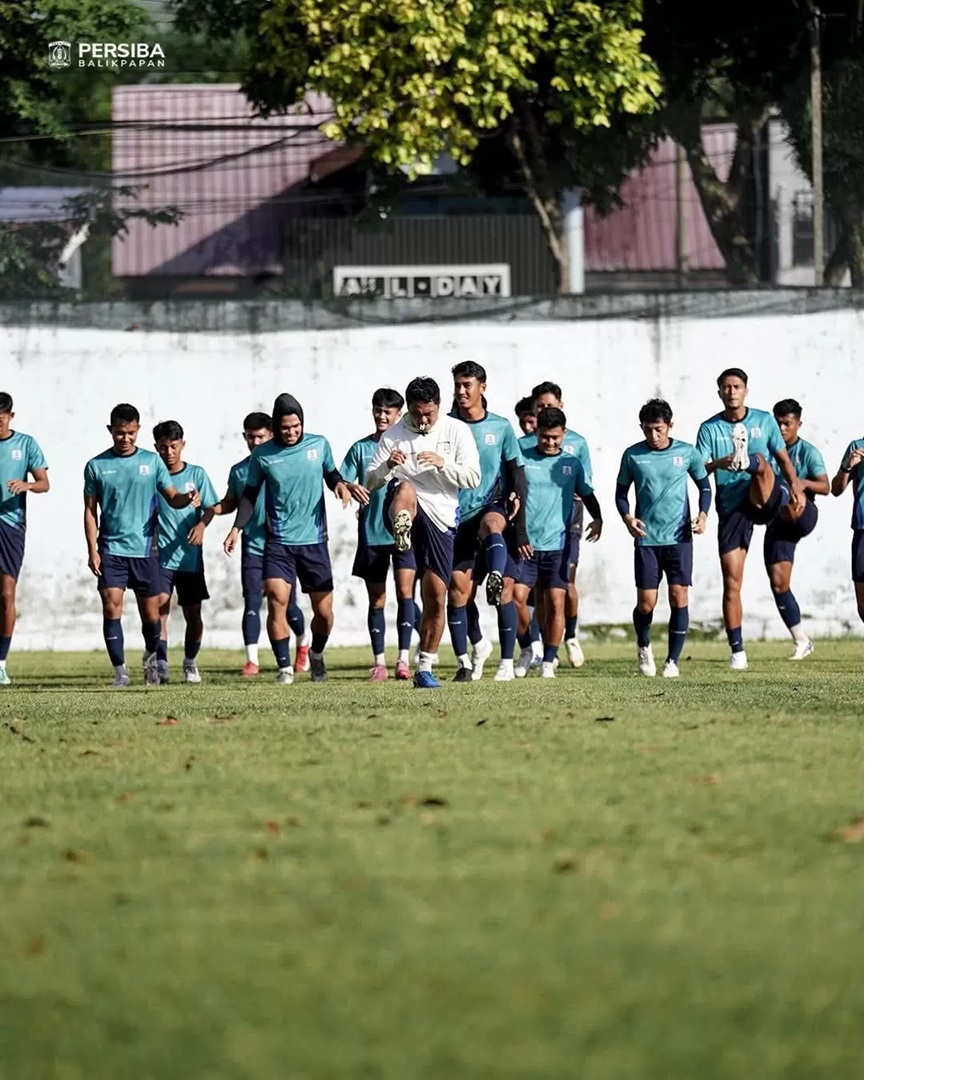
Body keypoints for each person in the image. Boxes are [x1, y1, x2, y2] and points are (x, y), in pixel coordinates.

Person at [227, 393, 364, 684]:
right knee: (277, 601)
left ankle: (316, 653)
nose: (291, 432)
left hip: (314, 541)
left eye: (296, 426)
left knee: (324, 612)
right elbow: (249, 496)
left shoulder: (319, 445)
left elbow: (331, 474)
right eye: (285, 428)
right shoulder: (263, 455)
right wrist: (236, 528)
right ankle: (284, 669)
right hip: (278, 543)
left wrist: (340, 486)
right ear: (276, 427)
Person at [365, 376, 481, 688]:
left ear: (438, 406)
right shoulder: (393, 435)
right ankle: (401, 526)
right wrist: (387, 466)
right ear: (409, 408)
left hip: (441, 517)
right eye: (417, 413)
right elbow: (370, 481)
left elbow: (473, 477)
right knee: (404, 487)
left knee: (436, 595)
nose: (423, 419)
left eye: (428, 413)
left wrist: (443, 464)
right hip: (405, 507)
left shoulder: (456, 430)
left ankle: (424, 668)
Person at [83, 403, 199, 688]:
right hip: (111, 550)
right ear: (110, 430)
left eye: (131, 433)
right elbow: (90, 511)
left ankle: (150, 655)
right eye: (120, 433)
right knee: (111, 606)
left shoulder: (152, 462)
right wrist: (92, 550)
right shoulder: (96, 466)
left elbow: (172, 496)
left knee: (151, 617)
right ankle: (120, 673)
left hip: (146, 551)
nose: (125, 438)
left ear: (138, 430)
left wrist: (187, 498)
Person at [695, 368, 803, 671]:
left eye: (737, 386)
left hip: (767, 496)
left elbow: (783, 459)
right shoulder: (709, 429)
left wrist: (796, 488)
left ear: (746, 391)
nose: (732, 391)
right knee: (732, 580)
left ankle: (749, 460)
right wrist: (722, 462)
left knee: (762, 464)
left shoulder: (764, 420)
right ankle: (738, 652)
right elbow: (698, 469)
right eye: (726, 387)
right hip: (732, 506)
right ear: (719, 392)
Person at [615, 399, 711, 678]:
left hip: (679, 538)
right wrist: (628, 518)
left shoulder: (687, 452)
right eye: (647, 430)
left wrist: (703, 515)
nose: (653, 435)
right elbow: (620, 493)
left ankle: (672, 661)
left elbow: (704, 487)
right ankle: (643, 644)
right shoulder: (633, 455)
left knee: (679, 596)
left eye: (658, 429)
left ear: (670, 425)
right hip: (647, 540)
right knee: (646, 603)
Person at [447, 361, 528, 682]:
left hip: (490, 505)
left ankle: (507, 662)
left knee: (494, 529)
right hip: (454, 516)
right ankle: (474, 650)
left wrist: (517, 498)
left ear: (482, 386)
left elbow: (516, 469)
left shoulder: (501, 427)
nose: (461, 391)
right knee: (458, 592)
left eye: (467, 384)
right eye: (457, 385)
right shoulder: (446, 426)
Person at [213, 412, 311, 677]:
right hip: (253, 545)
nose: (255, 442)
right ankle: (252, 661)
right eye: (250, 437)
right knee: (252, 603)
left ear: (271, 435)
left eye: (260, 437)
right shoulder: (239, 471)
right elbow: (231, 502)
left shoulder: (282, 463)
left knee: (288, 606)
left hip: (283, 545)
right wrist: (210, 508)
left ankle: (303, 642)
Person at [511, 407, 602, 678]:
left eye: (555, 437)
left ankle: (549, 661)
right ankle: (527, 648)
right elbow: (510, 491)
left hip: (557, 545)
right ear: (536, 433)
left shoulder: (571, 464)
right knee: (513, 599)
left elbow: (587, 494)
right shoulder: (522, 457)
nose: (550, 442)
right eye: (544, 437)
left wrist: (598, 518)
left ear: (563, 434)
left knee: (555, 602)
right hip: (526, 544)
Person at [339, 387, 422, 681]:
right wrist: (350, 487)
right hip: (372, 532)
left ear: (399, 414)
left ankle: (403, 660)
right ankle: (379, 663)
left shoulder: (411, 446)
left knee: (406, 594)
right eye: (378, 410)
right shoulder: (361, 448)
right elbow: (342, 480)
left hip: (403, 535)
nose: (382, 416)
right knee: (377, 599)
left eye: (388, 411)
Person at [152, 421, 220, 684]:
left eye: (173, 446)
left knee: (193, 615)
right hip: (159, 557)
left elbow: (211, 507)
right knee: (159, 610)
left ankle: (190, 662)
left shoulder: (196, 474)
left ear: (182, 445)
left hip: (189, 557)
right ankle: (161, 664)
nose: (169, 452)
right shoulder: (152, 475)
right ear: (156, 447)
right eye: (163, 447)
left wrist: (201, 525)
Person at [763, 399, 830, 659]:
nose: (781, 428)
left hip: (803, 512)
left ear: (798, 424)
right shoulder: (766, 448)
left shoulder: (808, 452)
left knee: (785, 491)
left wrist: (799, 483)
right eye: (777, 423)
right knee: (779, 583)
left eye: (787, 424)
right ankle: (801, 640)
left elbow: (825, 487)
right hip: (778, 523)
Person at [0, 392, 50, 686]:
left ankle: (1, 663)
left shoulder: (26, 444)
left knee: (6, 594)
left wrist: (26, 485)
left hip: (11, 526)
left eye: (1, 418)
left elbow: (45, 483)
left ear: (11, 416)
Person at [831, 436, 864, 622]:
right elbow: (835, 489)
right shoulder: (858, 446)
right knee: (864, 605)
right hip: (863, 529)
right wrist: (847, 466)